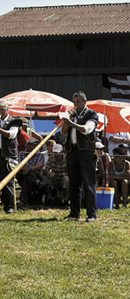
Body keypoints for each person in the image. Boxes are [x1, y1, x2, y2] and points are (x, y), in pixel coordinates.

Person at [61, 91, 98, 222]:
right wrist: (67, 121)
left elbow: (87, 129)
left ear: (84, 102)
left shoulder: (91, 114)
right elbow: (63, 132)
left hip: (86, 152)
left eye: (78, 102)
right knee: (74, 183)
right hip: (72, 151)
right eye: (74, 102)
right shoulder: (72, 115)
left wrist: (73, 124)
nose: (75, 104)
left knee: (89, 183)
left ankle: (91, 214)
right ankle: (74, 213)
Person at [0, 100, 21, 214]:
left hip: (7, 155)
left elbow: (11, 135)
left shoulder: (14, 121)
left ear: (7, 109)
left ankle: (9, 207)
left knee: (8, 181)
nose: (0, 112)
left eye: (2, 110)